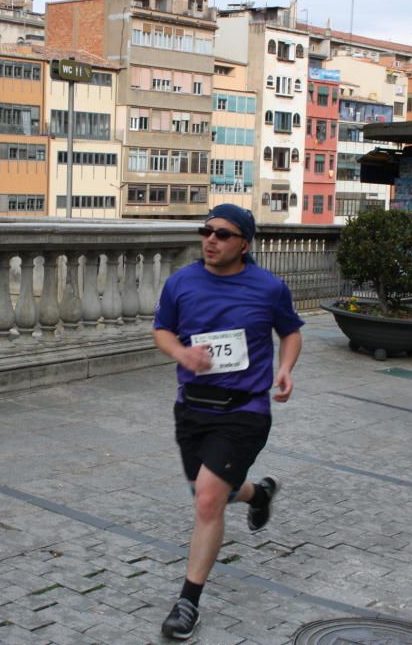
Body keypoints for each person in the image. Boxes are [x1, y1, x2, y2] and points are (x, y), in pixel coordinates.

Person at [152, 203, 304, 640]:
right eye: (206, 231)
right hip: (193, 408)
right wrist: (181, 352)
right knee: (208, 493)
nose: (210, 240)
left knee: (206, 501)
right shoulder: (182, 282)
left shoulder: (268, 287)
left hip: (245, 410)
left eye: (222, 233)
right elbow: (162, 329)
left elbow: (290, 331)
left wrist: (285, 367)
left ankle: (187, 603)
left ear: (244, 243)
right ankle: (259, 494)